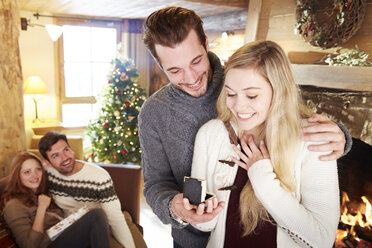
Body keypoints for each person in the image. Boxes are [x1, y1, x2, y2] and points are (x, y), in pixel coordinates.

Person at [139, 6, 350, 248]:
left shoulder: (243, 75)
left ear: (206, 44)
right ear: (160, 66)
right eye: (174, 70)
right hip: (191, 240)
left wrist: (340, 138)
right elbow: (156, 183)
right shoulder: (157, 113)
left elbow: (291, 113)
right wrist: (174, 207)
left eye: (196, 61)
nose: (190, 77)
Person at [189, 40, 340, 247]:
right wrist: (201, 215)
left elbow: (322, 239)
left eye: (252, 95)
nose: (238, 106)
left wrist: (262, 176)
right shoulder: (210, 134)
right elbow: (205, 225)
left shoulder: (314, 140)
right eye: (231, 93)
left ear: (278, 91)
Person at [38, 131, 138, 248]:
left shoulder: (99, 177)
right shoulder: (45, 172)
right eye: (56, 155)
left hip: (98, 224)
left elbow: (115, 218)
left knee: (106, 218)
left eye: (66, 150)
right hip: (68, 230)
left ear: (72, 149)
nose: (65, 158)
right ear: (48, 163)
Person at [2, 151, 111, 248]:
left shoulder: (41, 193)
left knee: (97, 217)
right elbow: (29, 245)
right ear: (17, 176)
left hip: (62, 236)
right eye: (27, 172)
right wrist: (41, 209)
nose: (35, 175)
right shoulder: (13, 205)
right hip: (49, 244)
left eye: (38, 169)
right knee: (96, 215)